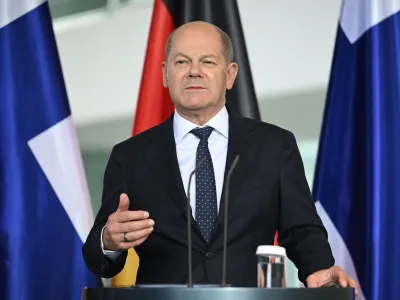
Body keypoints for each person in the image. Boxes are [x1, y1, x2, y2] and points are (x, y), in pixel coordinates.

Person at [82, 21, 358, 294]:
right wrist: (108, 240)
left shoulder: (274, 146)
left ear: (230, 74)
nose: (194, 72)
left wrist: (319, 268)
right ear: (165, 74)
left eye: (208, 62)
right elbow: (96, 257)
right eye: (182, 62)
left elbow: (301, 230)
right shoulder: (130, 155)